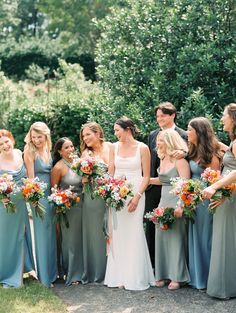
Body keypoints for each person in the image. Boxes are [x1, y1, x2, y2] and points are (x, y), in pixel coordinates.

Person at [104, 116, 155, 290]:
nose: (115, 133)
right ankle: (119, 276)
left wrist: (137, 196)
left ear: (128, 129)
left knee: (134, 232)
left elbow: (146, 176)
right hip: (117, 194)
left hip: (136, 194)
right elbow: (111, 171)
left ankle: (135, 276)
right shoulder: (114, 147)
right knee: (118, 234)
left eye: (117, 130)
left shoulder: (143, 148)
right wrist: (109, 191)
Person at [145, 102, 187, 266]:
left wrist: (185, 152)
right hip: (156, 186)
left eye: (162, 115)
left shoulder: (183, 135)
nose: (159, 119)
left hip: (174, 186)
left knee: (174, 229)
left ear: (172, 115)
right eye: (157, 116)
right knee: (153, 225)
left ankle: (175, 268)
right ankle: (155, 264)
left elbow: (186, 163)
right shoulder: (153, 134)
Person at [187, 117, 226, 290]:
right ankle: (196, 276)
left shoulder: (211, 154)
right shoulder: (191, 150)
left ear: (199, 132)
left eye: (189, 129)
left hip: (206, 199)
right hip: (192, 197)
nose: (187, 132)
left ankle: (208, 277)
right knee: (195, 235)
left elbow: (215, 181)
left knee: (205, 237)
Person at [150, 129, 190, 290]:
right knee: (162, 238)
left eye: (160, 140)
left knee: (175, 240)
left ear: (170, 141)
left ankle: (177, 277)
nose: (157, 143)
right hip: (163, 201)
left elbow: (186, 184)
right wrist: (143, 180)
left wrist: (181, 205)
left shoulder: (179, 160)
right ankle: (162, 274)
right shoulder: (163, 158)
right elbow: (163, 180)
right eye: (158, 140)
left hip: (176, 200)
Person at [205, 103, 236, 299]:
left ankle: (225, 287)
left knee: (225, 239)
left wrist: (215, 187)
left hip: (229, 196)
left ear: (233, 119)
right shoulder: (233, 143)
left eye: (224, 116)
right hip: (228, 194)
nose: (222, 119)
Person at [24, 122, 57, 287]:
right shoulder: (29, 151)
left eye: (39, 137)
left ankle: (53, 274)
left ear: (46, 136)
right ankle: (44, 278)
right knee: (42, 236)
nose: (37, 140)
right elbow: (30, 178)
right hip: (39, 196)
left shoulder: (47, 149)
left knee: (51, 235)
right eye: (34, 137)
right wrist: (34, 199)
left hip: (52, 196)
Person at [0, 129, 35, 288]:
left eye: (6, 141)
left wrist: (30, 192)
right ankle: (7, 273)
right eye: (1, 144)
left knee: (20, 236)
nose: (5, 145)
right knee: (6, 238)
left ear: (12, 140)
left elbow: (28, 177)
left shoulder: (20, 153)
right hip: (5, 207)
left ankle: (21, 270)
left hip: (21, 205)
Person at [80, 122, 112, 284]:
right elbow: (83, 180)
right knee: (96, 233)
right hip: (93, 196)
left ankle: (115, 270)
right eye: (83, 136)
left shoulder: (111, 147)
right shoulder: (86, 154)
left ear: (97, 132)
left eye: (88, 134)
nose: (85, 138)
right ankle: (98, 271)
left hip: (113, 193)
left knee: (113, 231)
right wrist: (86, 172)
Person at [51, 137, 83, 286]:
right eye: (66, 148)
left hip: (84, 205)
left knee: (82, 240)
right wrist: (62, 203)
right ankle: (72, 274)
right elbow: (54, 191)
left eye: (71, 146)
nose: (71, 149)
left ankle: (84, 272)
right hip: (69, 208)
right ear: (59, 151)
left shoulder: (79, 162)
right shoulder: (58, 167)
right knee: (71, 242)